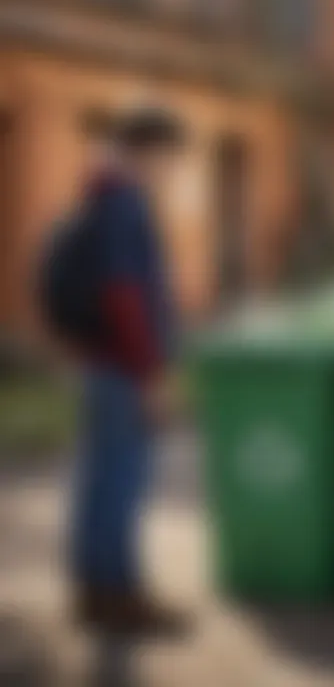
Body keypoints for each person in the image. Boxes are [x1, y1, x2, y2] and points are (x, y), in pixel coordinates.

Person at [65, 108, 188, 636]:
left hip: (104, 364)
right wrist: (150, 372)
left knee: (100, 478)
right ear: (150, 150)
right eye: (169, 157)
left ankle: (95, 591)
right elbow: (124, 293)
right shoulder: (123, 201)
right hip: (123, 367)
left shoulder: (102, 195)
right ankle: (118, 595)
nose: (172, 169)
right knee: (121, 480)